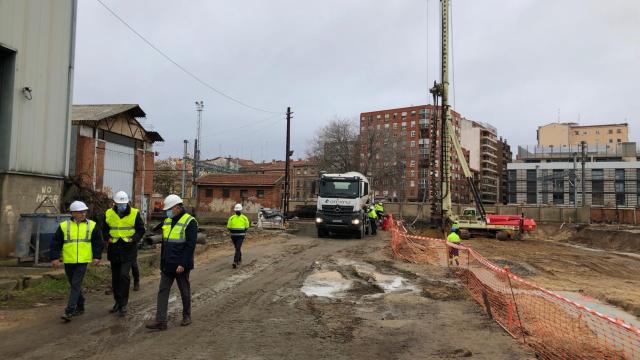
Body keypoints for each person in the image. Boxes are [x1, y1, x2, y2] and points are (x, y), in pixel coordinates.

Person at [146, 194, 197, 331]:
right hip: (167, 263)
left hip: (180, 264)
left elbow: (190, 246)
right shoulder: (168, 220)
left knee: (184, 291)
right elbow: (164, 241)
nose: (167, 212)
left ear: (178, 207)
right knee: (163, 291)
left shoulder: (190, 222)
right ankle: (161, 321)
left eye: (170, 209)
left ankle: (187, 315)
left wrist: (183, 264)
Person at [50, 201, 103, 322]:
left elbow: (97, 243)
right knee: (73, 284)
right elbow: (56, 242)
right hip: (69, 260)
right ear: (73, 213)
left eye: (84, 211)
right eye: (80, 212)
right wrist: (54, 257)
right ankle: (81, 303)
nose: (84, 213)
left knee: (75, 284)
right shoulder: (64, 226)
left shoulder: (92, 225)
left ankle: (69, 310)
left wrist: (97, 256)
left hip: (83, 260)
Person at [103, 191, 145, 317]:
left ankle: (123, 304)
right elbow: (104, 229)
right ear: (114, 203)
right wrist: (107, 237)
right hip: (114, 248)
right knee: (115, 278)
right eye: (120, 204)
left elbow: (141, 229)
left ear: (127, 202)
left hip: (128, 249)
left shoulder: (134, 213)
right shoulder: (108, 213)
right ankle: (117, 302)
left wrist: (134, 238)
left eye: (124, 204)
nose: (122, 206)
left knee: (124, 276)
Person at [227, 204, 250, 269]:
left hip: (241, 236)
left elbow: (247, 227)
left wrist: (242, 232)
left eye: (238, 210)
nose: (237, 211)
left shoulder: (244, 218)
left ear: (240, 210)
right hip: (233, 236)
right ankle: (239, 259)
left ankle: (235, 261)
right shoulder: (231, 218)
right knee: (237, 248)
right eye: (237, 210)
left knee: (237, 248)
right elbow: (228, 227)